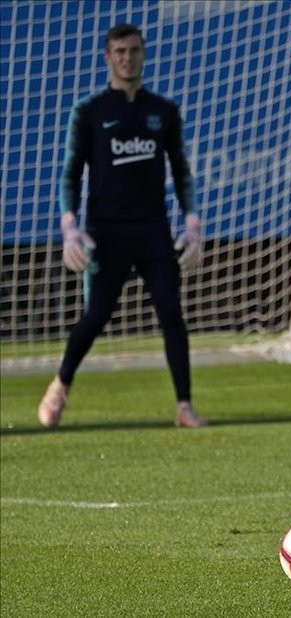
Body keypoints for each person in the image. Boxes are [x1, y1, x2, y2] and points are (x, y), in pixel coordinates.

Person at [36, 23, 206, 429]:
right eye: (120, 52)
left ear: (143, 54)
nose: (128, 58)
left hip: (152, 231)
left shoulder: (163, 111)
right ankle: (60, 385)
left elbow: (181, 171)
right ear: (108, 57)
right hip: (106, 233)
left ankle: (184, 406)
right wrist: (70, 227)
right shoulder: (90, 111)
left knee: (170, 311)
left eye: (134, 50)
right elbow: (70, 173)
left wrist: (193, 224)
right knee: (95, 316)